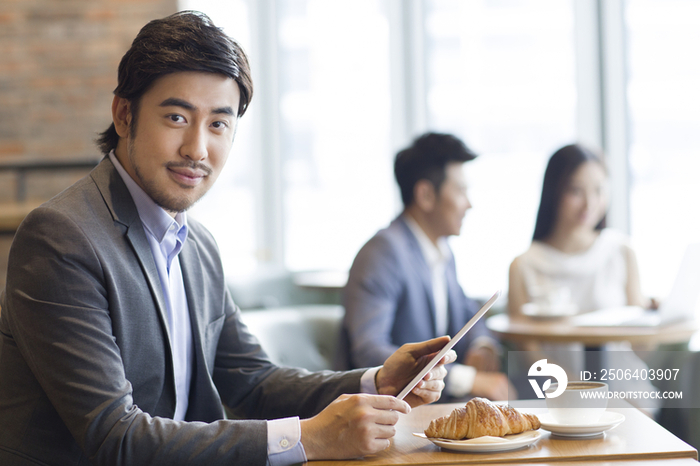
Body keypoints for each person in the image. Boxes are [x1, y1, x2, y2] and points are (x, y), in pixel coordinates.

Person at [0, 12, 456, 466]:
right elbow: (115, 436)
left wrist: (376, 383)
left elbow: (252, 382)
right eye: (177, 117)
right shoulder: (61, 238)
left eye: (218, 124)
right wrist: (308, 438)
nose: (197, 149)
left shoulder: (195, 243)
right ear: (124, 114)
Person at [336, 132, 512, 402]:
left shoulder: (441, 250)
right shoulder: (383, 252)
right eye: (461, 190)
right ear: (426, 195)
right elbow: (369, 351)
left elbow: (466, 312)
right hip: (389, 416)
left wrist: (482, 345)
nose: (469, 203)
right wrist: (466, 379)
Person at [507, 144, 658, 413]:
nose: (590, 203)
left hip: (628, 395)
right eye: (576, 191)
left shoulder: (621, 251)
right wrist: (582, 392)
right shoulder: (524, 265)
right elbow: (529, 355)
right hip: (560, 398)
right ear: (554, 192)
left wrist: (653, 319)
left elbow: (641, 348)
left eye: (599, 190)